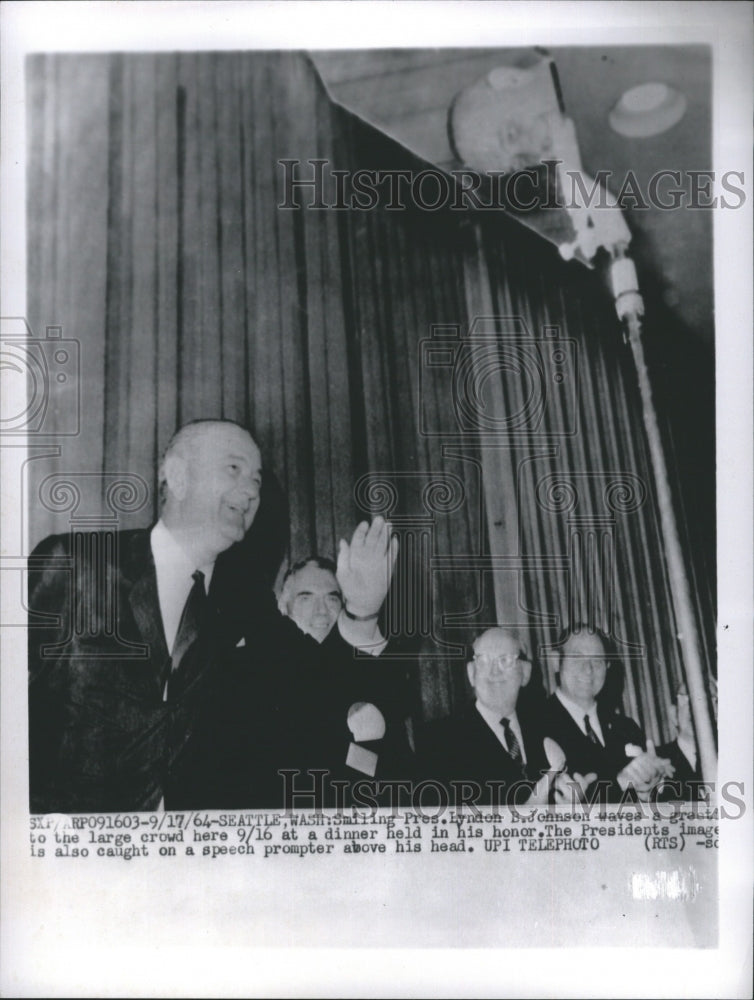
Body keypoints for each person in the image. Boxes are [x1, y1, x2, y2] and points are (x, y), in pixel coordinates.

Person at [28, 418, 397, 813]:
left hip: (193, 860)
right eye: (233, 469)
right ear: (178, 477)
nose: (251, 490)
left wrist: (361, 609)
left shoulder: (246, 603)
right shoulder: (75, 564)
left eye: (256, 479)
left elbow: (319, 682)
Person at [275, 554, 415, 801]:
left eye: (332, 598)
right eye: (306, 598)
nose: (321, 611)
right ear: (283, 607)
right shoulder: (259, 671)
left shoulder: (372, 671)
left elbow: (396, 772)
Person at [418, 627, 585, 807]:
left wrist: (571, 807)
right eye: (483, 661)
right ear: (471, 673)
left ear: (525, 673)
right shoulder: (438, 741)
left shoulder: (550, 727)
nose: (494, 672)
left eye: (505, 660)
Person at [541, 625, 699, 803]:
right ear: (556, 661)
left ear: (608, 667)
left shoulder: (626, 728)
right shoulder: (535, 725)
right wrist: (619, 783)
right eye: (577, 658)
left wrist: (650, 788)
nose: (588, 669)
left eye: (598, 661)